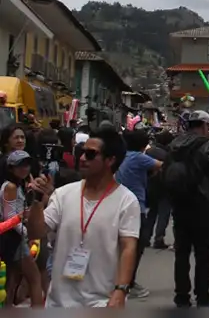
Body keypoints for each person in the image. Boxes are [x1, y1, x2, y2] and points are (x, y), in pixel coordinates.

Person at [26, 125, 140, 308]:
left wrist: (121, 290)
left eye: (90, 154)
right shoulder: (63, 194)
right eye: (81, 152)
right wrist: (37, 201)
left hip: (101, 303)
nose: (82, 158)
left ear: (110, 160)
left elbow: (128, 247)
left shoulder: (126, 201)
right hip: (58, 303)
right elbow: (35, 231)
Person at [165, 110, 209, 308]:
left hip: (179, 205)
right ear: (205, 125)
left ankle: (181, 296)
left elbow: (166, 171)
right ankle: (202, 297)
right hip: (202, 206)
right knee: (202, 254)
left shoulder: (174, 144)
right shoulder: (208, 145)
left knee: (181, 254)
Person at [115, 129, 163, 299]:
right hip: (136, 208)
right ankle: (128, 283)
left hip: (118, 206)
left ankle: (119, 281)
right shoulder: (139, 157)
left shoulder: (123, 156)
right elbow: (161, 165)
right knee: (135, 248)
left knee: (121, 248)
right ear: (143, 145)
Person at [1, 150, 44, 307]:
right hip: (13, 238)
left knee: (11, 283)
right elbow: (9, 216)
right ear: (11, 168)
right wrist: (27, 233)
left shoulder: (18, 185)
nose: (24, 168)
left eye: (26, 164)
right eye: (20, 165)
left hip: (13, 237)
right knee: (34, 278)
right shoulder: (11, 186)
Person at [145, 130, 174, 250]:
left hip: (150, 186)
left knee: (152, 213)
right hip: (164, 187)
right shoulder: (168, 155)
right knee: (163, 214)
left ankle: (145, 237)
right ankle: (159, 238)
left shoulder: (149, 151)